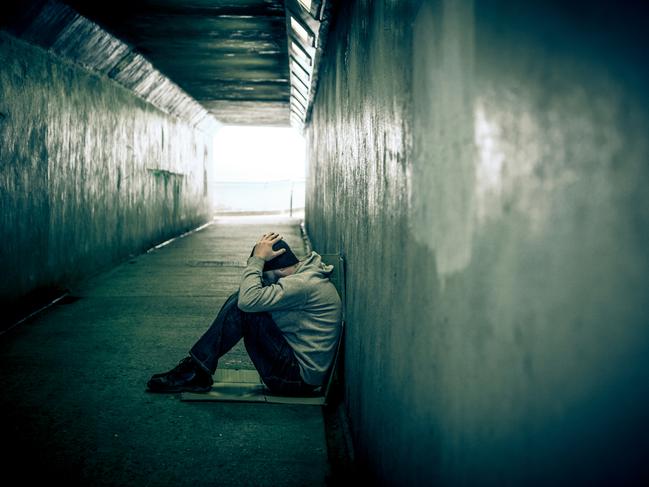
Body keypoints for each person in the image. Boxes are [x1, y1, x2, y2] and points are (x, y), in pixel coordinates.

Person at [147, 232, 342, 396]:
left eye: (266, 278)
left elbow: (248, 300)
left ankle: (194, 371)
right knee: (244, 301)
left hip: (295, 380)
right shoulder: (304, 277)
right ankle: (196, 368)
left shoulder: (300, 285)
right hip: (298, 371)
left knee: (245, 306)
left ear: (282, 269)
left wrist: (257, 261)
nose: (266, 283)